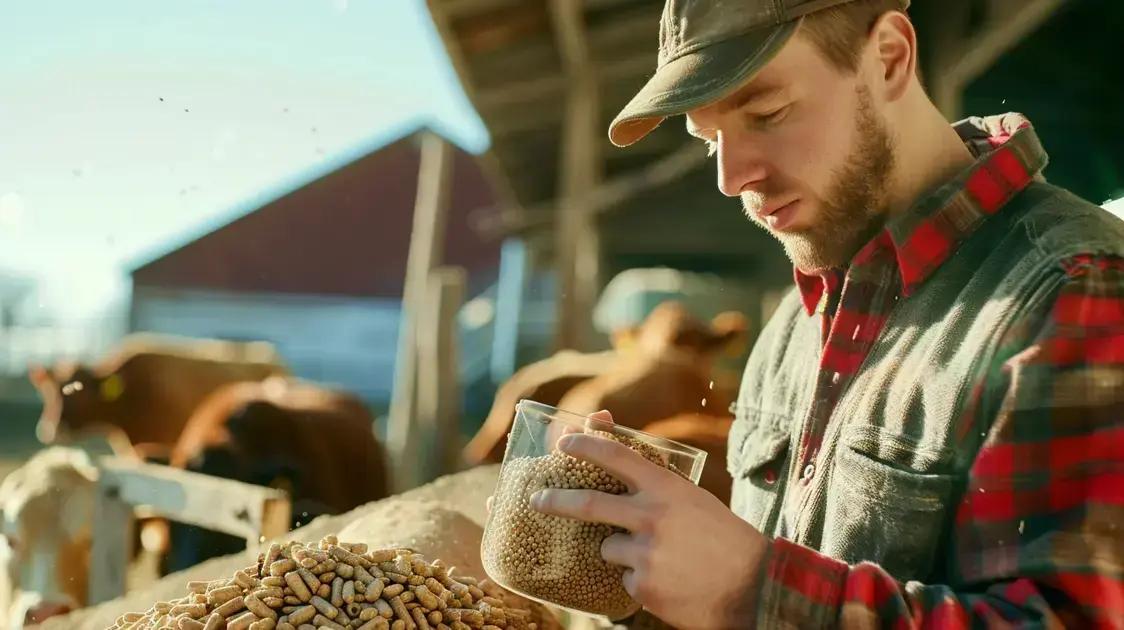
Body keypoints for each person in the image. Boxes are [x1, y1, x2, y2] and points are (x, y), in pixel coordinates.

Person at [491, 0, 1124, 627]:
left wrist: (747, 588)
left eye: (766, 113)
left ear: (889, 58)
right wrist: (635, 566)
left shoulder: (1076, 287)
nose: (730, 177)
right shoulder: (792, 325)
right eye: (710, 138)